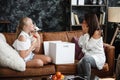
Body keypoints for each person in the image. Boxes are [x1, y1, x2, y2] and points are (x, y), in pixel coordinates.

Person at [77, 14, 106, 80]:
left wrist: (86, 34)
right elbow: (80, 44)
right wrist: (83, 33)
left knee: (85, 59)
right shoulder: (88, 32)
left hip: (98, 57)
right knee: (79, 64)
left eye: (85, 23)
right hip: (90, 56)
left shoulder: (97, 32)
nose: (83, 24)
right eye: (83, 23)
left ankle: (87, 78)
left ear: (89, 23)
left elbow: (87, 47)